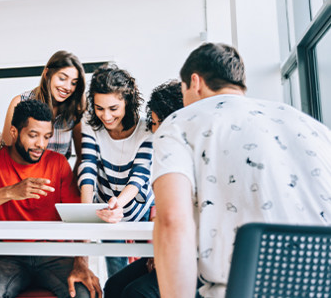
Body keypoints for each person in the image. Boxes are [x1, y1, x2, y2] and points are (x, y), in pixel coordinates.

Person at [152, 42, 331, 298]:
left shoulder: (180, 123)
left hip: (242, 290)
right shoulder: (310, 125)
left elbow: (172, 221)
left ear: (195, 82)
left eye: (182, 92)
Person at [0, 99, 102, 298]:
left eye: (47, 137)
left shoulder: (58, 163)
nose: (40, 144)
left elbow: (80, 220)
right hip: (6, 257)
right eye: (33, 135)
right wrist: (9, 192)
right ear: (15, 132)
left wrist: (82, 263)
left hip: (55, 255)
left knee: (84, 293)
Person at [104, 79, 183, 298]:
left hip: (191, 258)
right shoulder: (164, 157)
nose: (153, 129)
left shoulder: (190, 160)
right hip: (166, 249)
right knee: (113, 285)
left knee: (135, 292)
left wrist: (165, 255)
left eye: (157, 123)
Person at [77, 65, 154, 277]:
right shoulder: (90, 124)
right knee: (116, 274)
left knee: (144, 272)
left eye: (113, 108)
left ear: (127, 102)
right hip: (107, 210)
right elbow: (88, 169)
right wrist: (85, 213)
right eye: (100, 108)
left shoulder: (146, 130)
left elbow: (139, 178)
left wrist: (117, 203)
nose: (106, 116)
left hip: (139, 209)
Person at [0, 50, 86, 171]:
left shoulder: (74, 110)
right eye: (62, 78)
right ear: (47, 74)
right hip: (23, 182)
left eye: (74, 83)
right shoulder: (20, 102)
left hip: (57, 183)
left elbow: (81, 159)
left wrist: (70, 187)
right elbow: (6, 153)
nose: (68, 87)